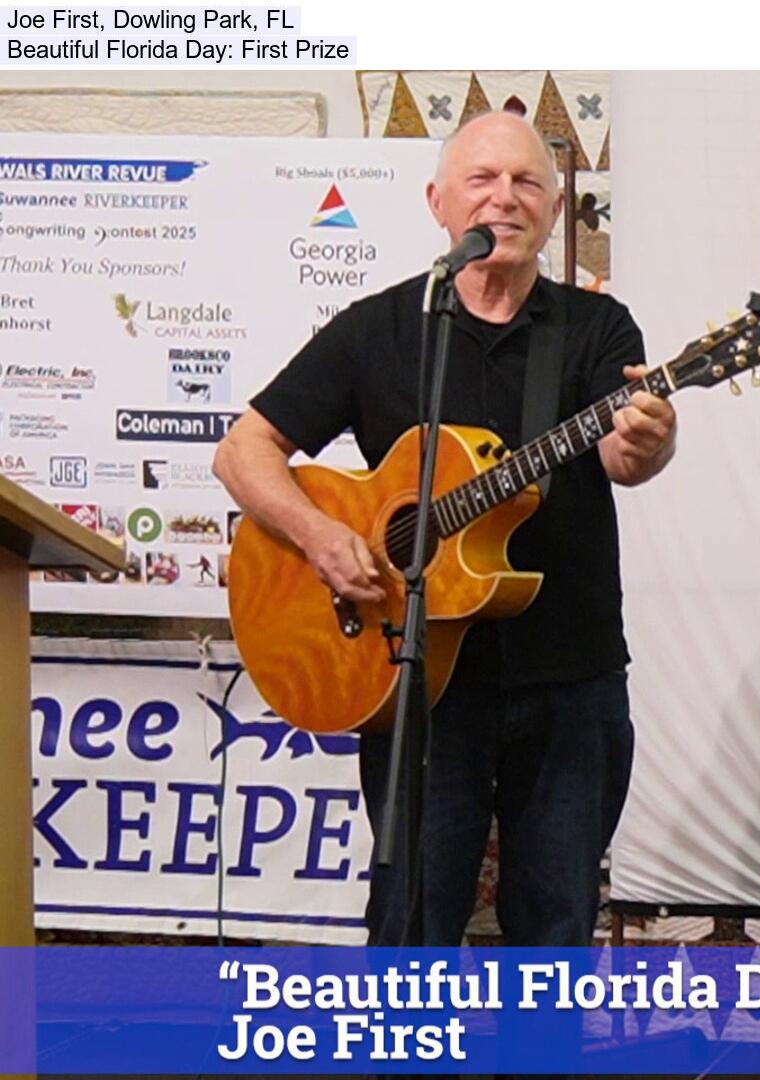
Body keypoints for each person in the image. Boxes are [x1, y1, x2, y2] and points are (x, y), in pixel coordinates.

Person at [212, 111, 678, 947]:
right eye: (482, 179)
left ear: (556, 204)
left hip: (569, 680)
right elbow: (244, 451)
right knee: (411, 925)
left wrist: (650, 439)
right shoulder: (382, 328)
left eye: (528, 181)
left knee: (557, 932)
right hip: (415, 681)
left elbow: (620, 457)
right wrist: (322, 538)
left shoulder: (597, 330)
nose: (505, 197)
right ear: (438, 203)